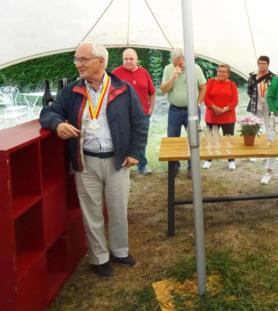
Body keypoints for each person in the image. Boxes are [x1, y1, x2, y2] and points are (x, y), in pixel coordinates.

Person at [39, 43, 148, 277]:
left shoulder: (124, 89)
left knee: (118, 209)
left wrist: (135, 152)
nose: (78, 64)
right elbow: (47, 112)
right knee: (92, 212)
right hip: (85, 161)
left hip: (118, 161)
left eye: (83, 59)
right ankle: (99, 257)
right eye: (77, 60)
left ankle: (120, 251)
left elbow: (140, 123)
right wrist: (57, 124)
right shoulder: (71, 91)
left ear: (101, 61)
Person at [160, 48, 207, 178]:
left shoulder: (195, 68)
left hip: (192, 110)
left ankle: (192, 167)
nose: (177, 66)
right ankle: (174, 166)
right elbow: (163, 90)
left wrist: (198, 103)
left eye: (180, 63)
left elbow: (203, 88)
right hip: (174, 110)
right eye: (175, 63)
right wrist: (174, 76)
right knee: (172, 139)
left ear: (186, 60)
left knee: (193, 138)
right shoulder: (168, 69)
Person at [112, 48, 156, 175]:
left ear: (137, 60)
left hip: (142, 114)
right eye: (125, 59)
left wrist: (151, 108)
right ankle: (123, 164)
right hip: (123, 115)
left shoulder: (144, 72)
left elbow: (152, 93)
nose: (128, 61)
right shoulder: (116, 73)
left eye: (131, 59)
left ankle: (142, 165)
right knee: (123, 139)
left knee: (140, 139)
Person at [202, 64, 239, 170]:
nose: (221, 73)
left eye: (224, 72)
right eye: (220, 71)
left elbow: (235, 100)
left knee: (229, 139)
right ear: (217, 72)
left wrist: (224, 109)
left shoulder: (232, 84)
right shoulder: (210, 82)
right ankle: (208, 159)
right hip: (212, 116)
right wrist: (214, 108)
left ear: (228, 74)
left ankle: (231, 160)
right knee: (211, 138)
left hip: (228, 117)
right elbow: (205, 96)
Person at [247, 55, 275, 133]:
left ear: (268, 64)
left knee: (268, 126)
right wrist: (254, 98)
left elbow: (275, 91)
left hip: (268, 105)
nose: (261, 65)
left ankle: (268, 141)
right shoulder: (252, 76)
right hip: (256, 104)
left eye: (264, 63)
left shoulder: (273, 77)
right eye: (260, 63)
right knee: (256, 126)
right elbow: (249, 90)